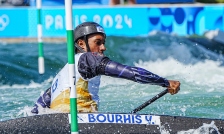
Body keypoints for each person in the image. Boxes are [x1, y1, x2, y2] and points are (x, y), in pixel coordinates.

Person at [31, 21, 180, 114]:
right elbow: (129, 72)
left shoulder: (63, 74)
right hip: (76, 122)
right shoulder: (88, 59)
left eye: (104, 42)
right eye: (98, 42)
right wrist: (165, 82)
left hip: (59, 124)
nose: (103, 47)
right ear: (81, 44)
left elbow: (38, 109)